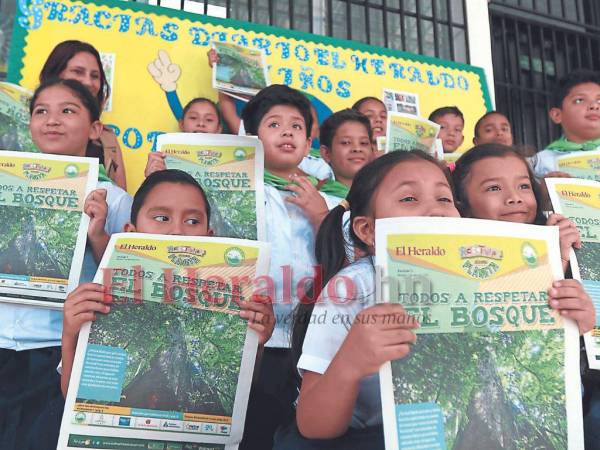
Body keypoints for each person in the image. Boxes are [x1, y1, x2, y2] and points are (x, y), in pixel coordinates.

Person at [275, 151, 458, 449]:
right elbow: (313, 425)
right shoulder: (351, 289)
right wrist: (352, 361)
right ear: (367, 230)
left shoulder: (477, 282)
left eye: (444, 199)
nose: (436, 211)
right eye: (410, 199)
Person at [61, 169, 274, 395]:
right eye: (162, 218)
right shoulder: (100, 299)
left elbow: (241, 397)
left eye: (192, 221)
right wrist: (70, 335)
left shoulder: (231, 304)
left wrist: (255, 343)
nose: (177, 231)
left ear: (209, 236)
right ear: (130, 232)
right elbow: (76, 398)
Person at [0, 78, 129, 450]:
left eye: (67, 110)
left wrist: (99, 236)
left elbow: (132, 285)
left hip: (55, 353)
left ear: (94, 128)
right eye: (42, 111)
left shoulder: (116, 200)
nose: (52, 120)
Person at [238, 84, 330, 448]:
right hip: (253, 335)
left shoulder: (324, 200)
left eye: (297, 126)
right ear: (252, 138)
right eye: (274, 124)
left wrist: (321, 217)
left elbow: (341, 266)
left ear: (309, 145)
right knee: (252, 430)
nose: (287, 132)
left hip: (304, 345)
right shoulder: (241, 188)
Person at [452, 143, 594, 328]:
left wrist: (585, 323)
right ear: (462, 204)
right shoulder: (455, 268)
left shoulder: (565, 247)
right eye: (494, 188)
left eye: (524, 186)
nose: (514, 197)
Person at [40, 40, 127, 190]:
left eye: (95, 76)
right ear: (54, 75)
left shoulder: (107, 139)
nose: (88, 82)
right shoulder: (22, 127)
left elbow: (121, 199)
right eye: (77, 72)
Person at [533, 69, 600, 178]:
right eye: (579, 100)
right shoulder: (541, 163)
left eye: (599, 101)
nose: (594, 106)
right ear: (557, 115)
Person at [144, 97, 223, 176]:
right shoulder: (163, 158)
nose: (201, 123)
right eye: (193, 118)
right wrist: (151, 177)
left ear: (219, 129)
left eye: (209, 119)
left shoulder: (230, 161)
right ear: (181, 124)